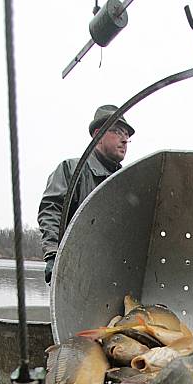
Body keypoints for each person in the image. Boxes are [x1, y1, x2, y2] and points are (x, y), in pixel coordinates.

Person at [38, 104, 135, 284]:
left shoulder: (128, 182)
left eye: (127, 135)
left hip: (114, 279)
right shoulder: (72, 170)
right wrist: (52, 255)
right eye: (118, 132)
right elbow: (51, 210)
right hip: (75, 274)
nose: (124, 140)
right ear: (97, 134)